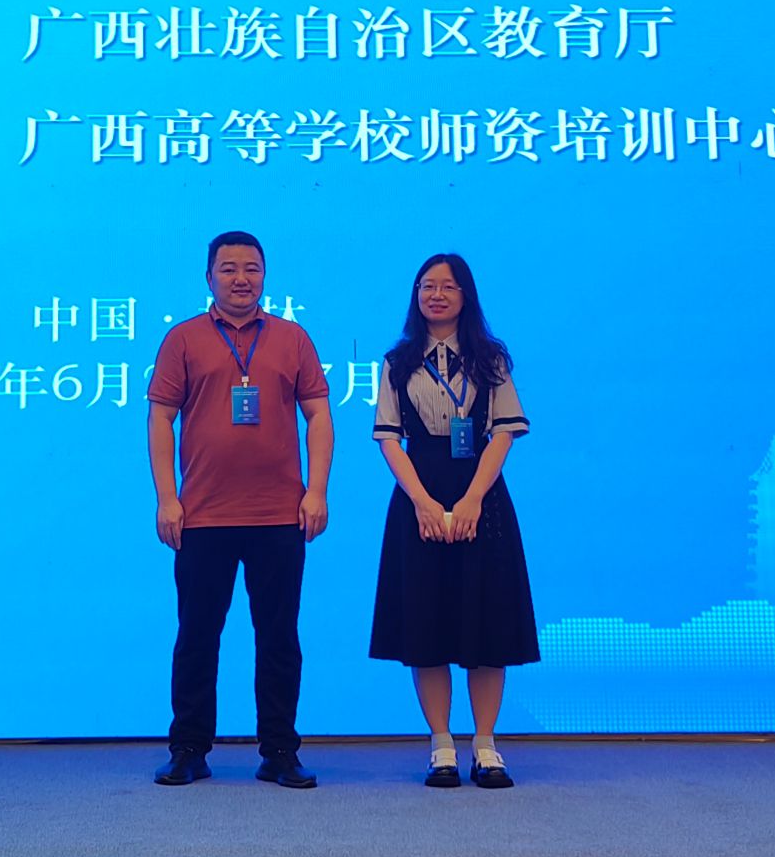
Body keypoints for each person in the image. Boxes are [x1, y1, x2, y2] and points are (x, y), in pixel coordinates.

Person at [148, 231, 333, 788]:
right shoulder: (182, 339)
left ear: (265, 275)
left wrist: (317, 491)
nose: (241, 278)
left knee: (279, 637)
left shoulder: (292, 338)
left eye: (251, 268)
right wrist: (167, 498)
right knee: (197, 635)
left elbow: (318, 415)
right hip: (203, 515)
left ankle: (279, 751)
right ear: (209, 277)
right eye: (228, 269)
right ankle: (188, 749)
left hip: (279, 514)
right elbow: (161, 419)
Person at [369, 253, 538, 788]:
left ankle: (486, 745)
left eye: (447, 286)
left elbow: (504, 433)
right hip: (418, 495)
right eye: (426, 286)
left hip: (481, 496)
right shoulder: (398, 362)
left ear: (466, 295)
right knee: (427, 623)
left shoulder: (491, 359)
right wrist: (422, 501)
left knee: (487, 623)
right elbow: (389, 440)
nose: (436, 295)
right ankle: (441, 744)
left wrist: (471, 500)